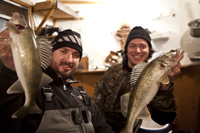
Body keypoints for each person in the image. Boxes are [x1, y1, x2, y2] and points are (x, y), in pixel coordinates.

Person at [0, 29, 115, 133]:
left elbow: (103, 128)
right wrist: (10, 69)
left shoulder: (82, 97)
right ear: (50, 55)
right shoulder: (32, 92)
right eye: (64, 51)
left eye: (75, 55)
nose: (69, 60)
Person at [92, 26, 181, 133]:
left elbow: (165, 119)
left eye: (143, 46)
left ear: (149, 49)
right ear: (126, 49)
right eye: (132, 46)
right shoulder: (112, 71)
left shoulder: (157, 74)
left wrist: (165, 89)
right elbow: (96, 102)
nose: (137, 51)